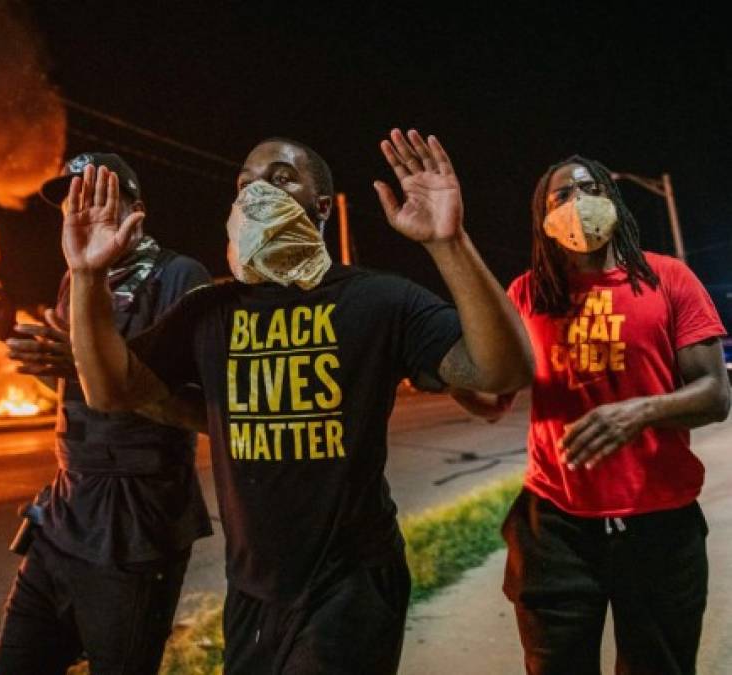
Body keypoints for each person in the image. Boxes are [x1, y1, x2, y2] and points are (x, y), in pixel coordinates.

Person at [60, 129, 533, 674]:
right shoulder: (210, 310)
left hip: (350, 585)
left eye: (282, 178)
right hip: (254, 592)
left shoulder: (378, 300)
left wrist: (448, 243)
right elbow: (110, 389)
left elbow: (502, 371)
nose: (259, 190)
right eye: (245, 184)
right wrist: (87, 275)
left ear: (321, 207)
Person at [452, 156, 730, 674]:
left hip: (659, 524)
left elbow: (715, 395)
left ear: (614, 200)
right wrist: (444, 369)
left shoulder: (668, 279)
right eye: (560, 196)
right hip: (555, 528)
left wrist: (639, 412)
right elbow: (493, 401)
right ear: (542, 219)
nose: (577, 202)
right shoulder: (526, 294)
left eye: (590, 187)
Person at [0, 152, 213, 675]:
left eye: (102, 194)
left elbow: (204, 410)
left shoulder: (178, 276)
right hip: (65, 514)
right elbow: (66, 383)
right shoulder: (75, 280)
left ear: (136, 209)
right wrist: (10, 332)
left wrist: (83, 367)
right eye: (75, 196)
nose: (85, 205)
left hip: (135, 523)